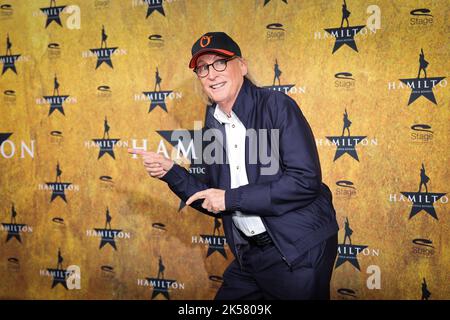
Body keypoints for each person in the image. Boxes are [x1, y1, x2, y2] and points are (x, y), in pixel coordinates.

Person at [128, 32, 339, 300]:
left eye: (220, 63)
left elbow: (304, 180)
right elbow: (208, 196)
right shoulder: (212, 124)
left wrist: (231, 198)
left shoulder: (276, 106)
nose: (211, 74)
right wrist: (171, 171)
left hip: (298, 249)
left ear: (242, 66)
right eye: (203, 68)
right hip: (251, 254)